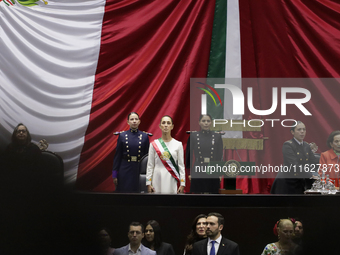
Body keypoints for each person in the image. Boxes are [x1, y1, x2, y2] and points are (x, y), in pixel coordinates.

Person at [271, 121, 319, 194]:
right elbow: (294, 165)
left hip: (300, 181)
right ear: (292, 132)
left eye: (304, 129)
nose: (302, 132)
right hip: (288, 182)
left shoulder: (306, 145)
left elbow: (313, 161)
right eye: (299, 130)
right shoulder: (288, 145)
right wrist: (311, 175)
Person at [146, 115, 185, 194]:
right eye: (163, 123)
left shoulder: (178, 144)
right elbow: (150, 165)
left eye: (168, 123)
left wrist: (182, 183)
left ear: (172, 126)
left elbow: (181, 166)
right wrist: (148, 183)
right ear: (160, 126)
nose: (166, 125)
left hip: (171, 178)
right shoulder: (154, 144)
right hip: (157, 177)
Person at [112, 112, 150, 193]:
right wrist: (115, 174)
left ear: (139, 121)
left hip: (139, 169)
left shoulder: (144, 136)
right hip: (125, 168)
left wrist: (149, 175)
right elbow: (117, 156)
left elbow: (147, 158)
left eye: (136, 119)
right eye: (132, 119)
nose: (134, 121)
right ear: (128, 122)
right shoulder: (122, 136)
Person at [186, 114, 223, 194]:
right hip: (198, 169)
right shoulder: (193, 136)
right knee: (198, 199)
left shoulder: (217, 136)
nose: (206, 123)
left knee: (213, 198)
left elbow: (219, 156)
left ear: (211, 123)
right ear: (199, 122)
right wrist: (189, 173)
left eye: (208, 121)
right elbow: (189, 156)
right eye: (203, 121)